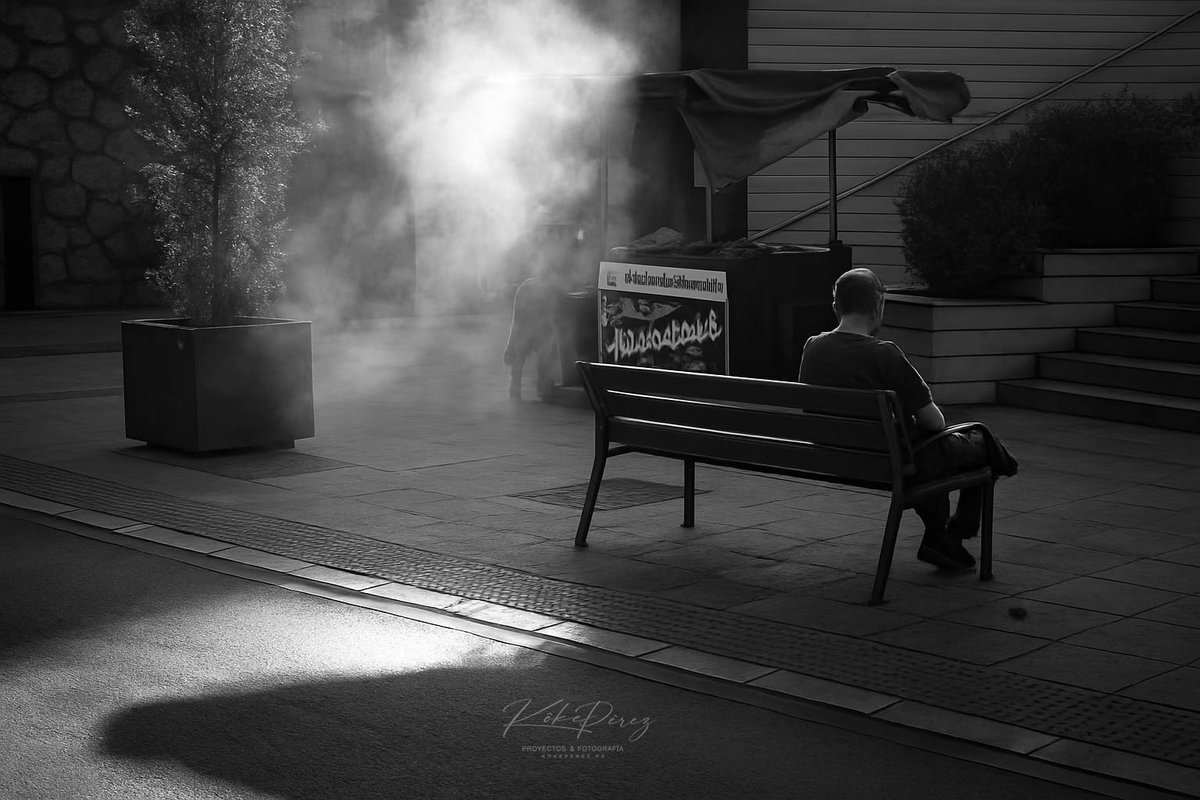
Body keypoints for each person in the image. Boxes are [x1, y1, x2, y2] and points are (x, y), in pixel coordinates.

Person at [798, 268, 995, 571]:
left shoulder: (813, 347)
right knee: (982, 445)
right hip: (886, 462)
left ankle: (940, 539)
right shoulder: (885, 354)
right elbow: (934, 422)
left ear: (836, 307)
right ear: (878, 306)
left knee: (929, 456)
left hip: (832, 455)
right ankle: (953, 532)